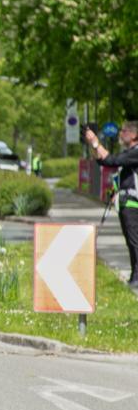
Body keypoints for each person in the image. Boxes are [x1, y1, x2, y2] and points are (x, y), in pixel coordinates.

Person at [85, 120, 138, 291]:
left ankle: (136, 277)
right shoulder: (130, 152)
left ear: (134, 135)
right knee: (131, 241)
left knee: (134, 241)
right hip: (126, 203)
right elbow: (105, 161)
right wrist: (95, 148)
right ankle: (134, 275)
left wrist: (95, 142)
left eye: (123, 131)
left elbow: (111, 160)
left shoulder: (135, 153)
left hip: (133, 204)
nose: (120, 134)